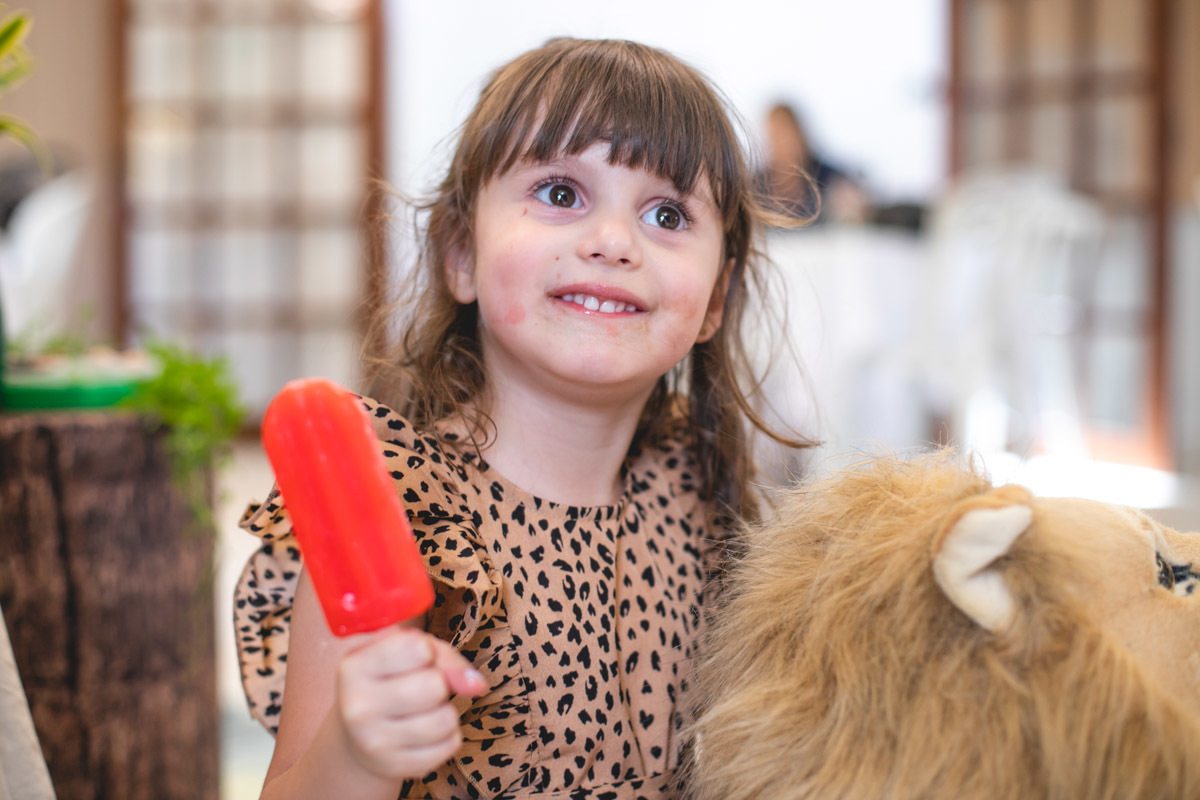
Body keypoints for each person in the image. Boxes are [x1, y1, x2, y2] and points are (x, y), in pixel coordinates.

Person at [233, 37, 809, 800]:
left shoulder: (698, 488)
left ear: (715, 299)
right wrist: (358, 748)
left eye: (666, 213)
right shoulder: (399, 506)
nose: (612, 242)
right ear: (461, 253)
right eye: (562, 194)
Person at [760, 102, 869, 225]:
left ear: (800, 133)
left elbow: (855, 198)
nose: (783, 142)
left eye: (787, 133)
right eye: (776, 135)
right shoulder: (756, 185)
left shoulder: (829, 178)